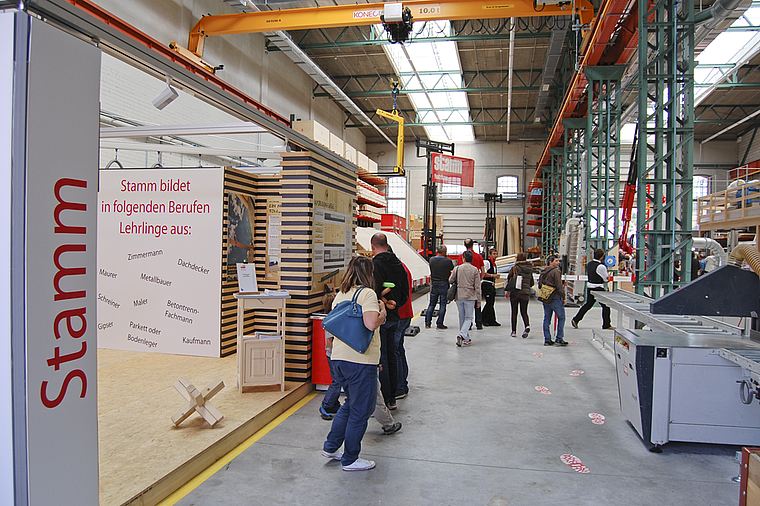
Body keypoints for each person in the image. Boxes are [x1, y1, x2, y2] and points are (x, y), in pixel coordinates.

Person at [322, 256, 387, 471]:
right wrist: (382, 315)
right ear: (369, 273)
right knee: (361, 410)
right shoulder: (367, 294)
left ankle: (331, 447)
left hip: (340, 358)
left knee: (350, 404)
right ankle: (350, 458)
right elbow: (370, 324)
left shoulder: (340, 295)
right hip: (360, 360)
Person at [370, 233, 409, 411]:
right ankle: (393, 397)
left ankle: (384, 399)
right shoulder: (399, 265)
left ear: (372, 246)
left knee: (382, 358)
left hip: (381, 318)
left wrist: (381, 307)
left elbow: (374, 292)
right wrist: (394, 307)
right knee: (392, 355)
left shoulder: (376, 264)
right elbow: (405, 294)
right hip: (395, 317)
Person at [570, 248, 613, 330]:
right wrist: (608, 277)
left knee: (588, 305)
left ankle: (576, 319)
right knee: (606, 306)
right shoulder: (601, 267)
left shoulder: (589, 264)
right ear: (602, 257)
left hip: (590, 287)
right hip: (598, 288)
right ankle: (606, 324)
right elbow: (605, 279)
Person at [450, 250, 482, 347]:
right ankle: (462, 335)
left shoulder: (458, 268)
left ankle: (466, 338)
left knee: (462, 317)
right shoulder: (475, 270)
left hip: (459, 296)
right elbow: (477, 286)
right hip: (470, 296)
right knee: (469, 318)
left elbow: (450, 280)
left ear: (463, 258)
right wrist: (479, 299)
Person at [319, 291, 341, 420]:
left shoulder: (335, 318)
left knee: (339, 379)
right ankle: (326, 405)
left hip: (335, 355)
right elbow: (329, 341)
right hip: (333, 355)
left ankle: (334, 404)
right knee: (337, 381)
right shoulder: (329, 321)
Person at [394, 261, 413, 400]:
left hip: (399, 315)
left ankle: (400, 387)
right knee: (399, 350)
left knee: (394, 352)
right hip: (405, 314)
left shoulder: (397, 269)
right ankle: (403, 385)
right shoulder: (404, 267)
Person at [538, 255, 567, 346]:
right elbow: (559, 286)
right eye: (556, 261)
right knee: (561, 317)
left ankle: (547, 339)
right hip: (555, 297)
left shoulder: (543, 272)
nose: (558, 263)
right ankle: (559, 338)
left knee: (547, 318)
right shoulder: (556, 272)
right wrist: (564, 297)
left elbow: (539, 284)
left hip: (546, 297)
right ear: (551, 262)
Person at [425, 245, 454, 330]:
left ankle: (427, 323)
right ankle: (439, 324)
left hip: (434, 284)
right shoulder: (448, 261)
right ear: (445, 252)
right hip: (444, 284)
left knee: (431, 304)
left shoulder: (432, 260)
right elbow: (451, 269)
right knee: (443, 304)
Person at [458, 238, 485, 330]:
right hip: (475, 283)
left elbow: (459, 271)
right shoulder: (479, 256)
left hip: (465, 285)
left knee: (465, 309)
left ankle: (467, 325)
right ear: (473, 245)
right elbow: (483, 271)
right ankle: (479, 323)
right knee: (477, 303)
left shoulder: (461, 257)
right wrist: (479, 280)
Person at [507, 252, 534, 338]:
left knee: (514, 312)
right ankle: (527, 326)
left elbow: (509, 278)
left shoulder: (515, 268)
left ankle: (514, 331)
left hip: (515, 293)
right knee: (524, 311)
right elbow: (531, 282)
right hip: (525, 293)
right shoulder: (529, 269)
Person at [480, 248, 501, 326]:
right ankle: (483, 318)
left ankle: (491, 319)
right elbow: (483, 273)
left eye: (496, 253)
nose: (495, 255)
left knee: (491, 302)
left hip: (491, 284)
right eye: (494, 254)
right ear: (490, 254)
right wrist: (493, 275)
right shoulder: (487, 262)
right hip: (486, 284)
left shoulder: (494, 264)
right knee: (489, 302)